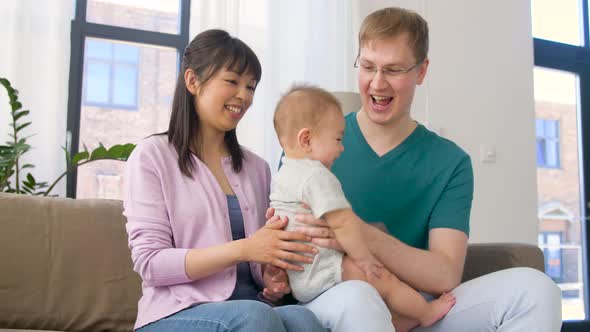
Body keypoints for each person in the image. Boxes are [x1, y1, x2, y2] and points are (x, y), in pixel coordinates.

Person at [267, 7, 563, 332]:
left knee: (536, 290)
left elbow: (444, 274)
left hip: (417, 307)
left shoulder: (450, 163)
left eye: (393, 69)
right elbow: (284, 242)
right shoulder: (311, 146)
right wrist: (273, 272)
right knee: (358, 297)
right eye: (368, 67)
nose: (377, 83)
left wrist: (360, 234)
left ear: (421, 72)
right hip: (335, 298)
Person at [123, 29, 327, 332]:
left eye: (251, 86)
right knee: (255, 318)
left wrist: (271, 278)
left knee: (303, 320)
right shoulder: (151, 157)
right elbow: (151, 264)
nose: (243, 95)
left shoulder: (258, 168)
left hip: (253, 308)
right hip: (174, 315)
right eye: (232, 81)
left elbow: (258, 262)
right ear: (193, 81)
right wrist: (245, 249)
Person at [270, 84, 457, 331]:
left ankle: (399, 320)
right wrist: (365, 258)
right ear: (306, 139)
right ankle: (425, 312)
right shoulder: (316, 176)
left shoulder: (283, 175)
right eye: (337, 139)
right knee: (384, 280)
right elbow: (343, 222)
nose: (342, 148)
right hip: (323, 269)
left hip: (301, 278)